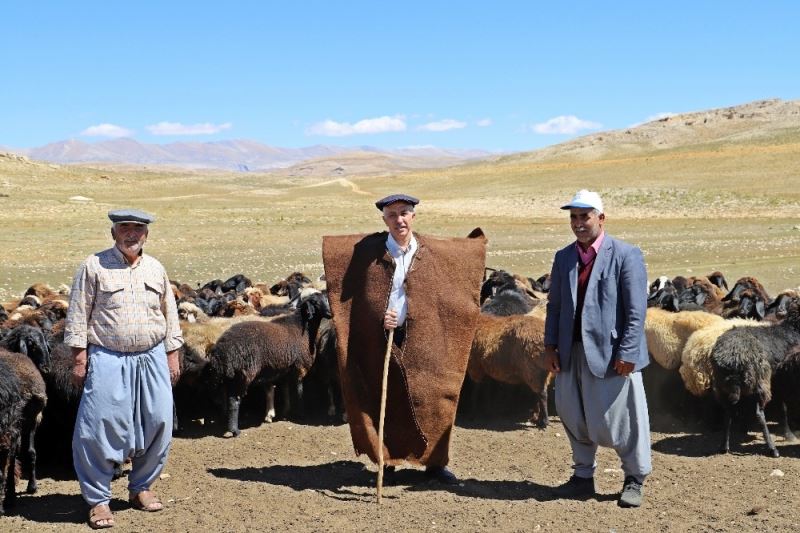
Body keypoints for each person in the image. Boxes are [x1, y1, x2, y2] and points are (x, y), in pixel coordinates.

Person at [322, 194, 486, 485]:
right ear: (384, 220)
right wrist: (377, 319)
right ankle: (389, 459)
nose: (399, 219)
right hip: (383, 336)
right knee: (384, 394)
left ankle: (435, 462)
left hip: (425, 334)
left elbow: (453, 274)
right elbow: (354, 295)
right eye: (392, 214)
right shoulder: (371, 253)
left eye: (405, 213)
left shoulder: (428, 250)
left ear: (413, 216)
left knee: (434, 396)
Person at [64, 209, 183, 529]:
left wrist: (172, 354)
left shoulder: (156, 268)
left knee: (158, 420)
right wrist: (79, 358)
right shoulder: (94, 266)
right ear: (113, 232)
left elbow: (168, 313)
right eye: (125, 228)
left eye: (138, 228)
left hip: (153, 354)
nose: (132, 234)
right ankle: (98, 500)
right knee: (99, 423)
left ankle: (141, 487)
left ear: (147, 234)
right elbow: (77, 313)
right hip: (108, 355)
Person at [543, 189, 651, 508]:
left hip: (613, 353)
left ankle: (634, 478)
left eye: (584, 216)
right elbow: (555, 306)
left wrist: (629, 352)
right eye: (573, 217)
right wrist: (550, 345)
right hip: (570, 351)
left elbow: (635, 310)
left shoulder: (626, 254)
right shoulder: (564, 257)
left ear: (601, 218)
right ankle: (582, 478)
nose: (578, 223)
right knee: (573, 413)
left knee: (624, 418)